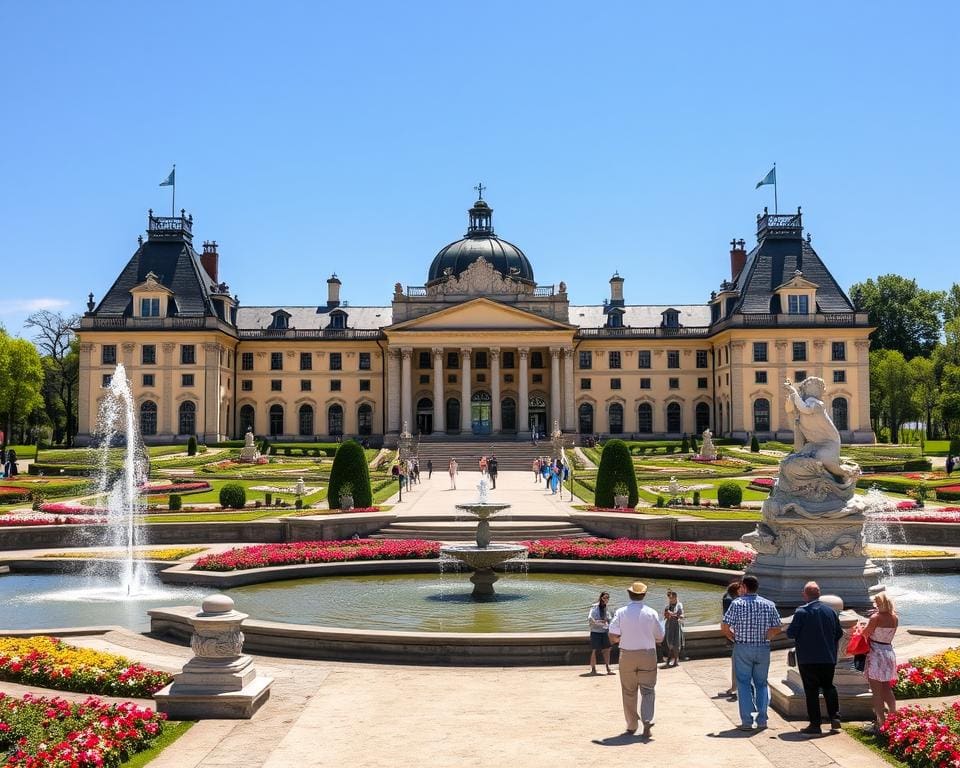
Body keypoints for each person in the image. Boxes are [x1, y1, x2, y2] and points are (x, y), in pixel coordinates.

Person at [722, 574, 783, 731]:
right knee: (761, 684)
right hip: (763, 647)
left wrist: (732, 637)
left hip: (743, 647)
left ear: (743, 587)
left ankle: (747, 721)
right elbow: (778, 627)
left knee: (743, 684)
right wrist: (766, 636)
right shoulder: (769, 604)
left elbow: (724, 626)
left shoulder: (737, 604)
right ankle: (762, 720)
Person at [608, 581, 665, 738]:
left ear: (629, 594)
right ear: (644, 595)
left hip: (627, 654)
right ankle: (647, 721)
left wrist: (623, 640)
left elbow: (612, 636)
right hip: (647, 654)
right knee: (648, 690)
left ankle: (632, 725)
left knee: (629, 691)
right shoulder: (652, 613)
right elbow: (660, 637)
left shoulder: (621, 612)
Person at [785, 581, 843, 735]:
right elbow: (839, 633)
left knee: (811, 691)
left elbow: (791, 633)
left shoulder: (801, 612)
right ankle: (835, 718)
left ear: (805, 594)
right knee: (829, 687)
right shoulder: (830, 611)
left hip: (808, 658)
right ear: (819, 594)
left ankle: (815, 725)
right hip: (828, 657)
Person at [862, 592, 899, 732]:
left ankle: (880, 724)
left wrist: (859, 628)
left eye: (876, 603)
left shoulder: (875, 617)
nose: (875, 605)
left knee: (876, 692)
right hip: (888, 653)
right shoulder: (895, 617)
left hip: (876, 654)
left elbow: (865, 634)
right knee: (886, 687)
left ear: (880, 603)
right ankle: (893, 717)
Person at [721, 581, 744, 698]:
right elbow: (728, 620)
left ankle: (735, 687)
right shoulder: (732, 601)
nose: (742, 591)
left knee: (736, 662)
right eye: (740, 589)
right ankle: (735, 687)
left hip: (734, 635)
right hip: (736, 635)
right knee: (737, 663)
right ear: (737, 590)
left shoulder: (727, 597)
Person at [588, 591, 614, 675]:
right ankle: (593, 669)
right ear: (601, 598)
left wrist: (608, 622)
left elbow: (610, 619)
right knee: (594, 650)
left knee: (607, 649)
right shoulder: (594, 607)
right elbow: (590, 618)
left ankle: (607, 667)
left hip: (605, 631)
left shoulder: (607, 608)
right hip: (595, 631)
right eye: (604, 597)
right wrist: (597, 622)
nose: (606, 599)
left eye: (607, 598)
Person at [662, 590, 684, 667]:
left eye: (672, 597)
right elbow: (665, 616)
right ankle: (669, 660)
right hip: (669, 626)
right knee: (669, 643)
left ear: (675, 597)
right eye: (669, 598)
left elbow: (680, 615)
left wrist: (672, 614)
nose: (671, 599)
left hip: (676, 626)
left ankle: (676, 661)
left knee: (676, 643)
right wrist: (667, 614)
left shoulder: (679, 605)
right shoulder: (667, 606)